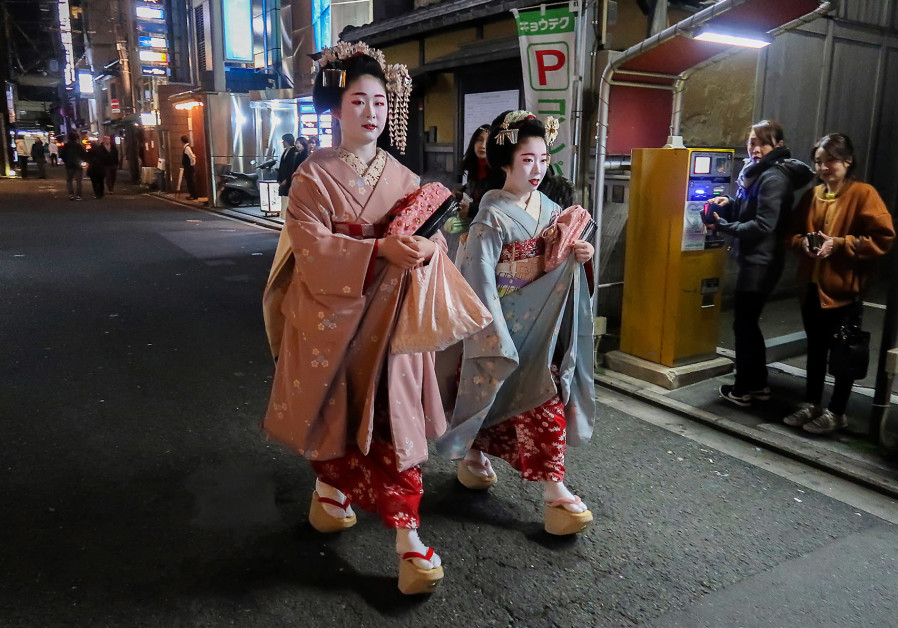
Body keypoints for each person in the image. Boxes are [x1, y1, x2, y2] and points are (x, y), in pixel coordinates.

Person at [261, 42, 447, 595]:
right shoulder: (311, 176)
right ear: (336, 108)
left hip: (391, 323)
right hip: (334, 313)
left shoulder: (407, 177)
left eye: (379, 102)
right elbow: (311, 249)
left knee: (394, 421)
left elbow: (432, 240)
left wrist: (427, 251)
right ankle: (330, 491)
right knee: (334, 414)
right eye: (358, 100)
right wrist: (379, 252)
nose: (370, 112)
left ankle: (408, 542)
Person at [436, 110, 596, 536]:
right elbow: (478, 280)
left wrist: (581, 256)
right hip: (503, 322)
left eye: (543, 159)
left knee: (541, 398)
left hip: (540, 326)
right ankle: (478, 457)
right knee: (489, 394)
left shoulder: (551, 208)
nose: (538, 169)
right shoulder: (491, 214)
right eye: (528, 159)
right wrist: (492, 333)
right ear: (506, 161)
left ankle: (554, 490)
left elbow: (562, 261)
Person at [783, 133, 895, 434]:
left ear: (847, 160)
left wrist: (841, 244)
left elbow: (883, 238)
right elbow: (791, 233)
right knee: (816, 350)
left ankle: (837, 411)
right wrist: (803, 243)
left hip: (845, 290)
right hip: (811, 285)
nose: (824, 167)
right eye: (818, 161)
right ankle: (812, 404)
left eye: (830, 160)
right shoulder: (812, 194)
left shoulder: (863, 193)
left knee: (843, 352)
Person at [707, 120, 815, 407]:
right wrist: (728, 202)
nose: (755, 148)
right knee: (747, 324)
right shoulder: (756, 172)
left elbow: (764, 224)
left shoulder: (773, 177)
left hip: (762, 262)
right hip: (755, 259)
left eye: (762, 143)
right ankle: (757, 385)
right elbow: (750, 207)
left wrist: (725, 226)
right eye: (752, 142)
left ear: (777, 146)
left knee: (744, 325)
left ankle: (746, 388)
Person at [443, 125, 491, 260]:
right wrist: (461, 193)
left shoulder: (499, 172)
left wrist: (472, 210)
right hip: (474, 229)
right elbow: (474, 189)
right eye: (479, 140)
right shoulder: (474, 166)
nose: (482, 145)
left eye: (488, 142)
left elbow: (498, 206)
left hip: (490, 234)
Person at [276, 133, 300, 218]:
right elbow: (282, 166)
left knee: (288, 197)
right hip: (283, 178)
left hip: (288, 179)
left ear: (287, 141)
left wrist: (286, 179)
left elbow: (290, 167)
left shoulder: (293, 151)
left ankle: (287, 216)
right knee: (284, 197)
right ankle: (283, 215)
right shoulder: (286, 151)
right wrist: (279, 179)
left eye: (284, 141)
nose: (283, 143)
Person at [60, 132, 87, 200]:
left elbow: (62, 155)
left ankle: (71, 194)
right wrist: (82, 161)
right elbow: (84, 155)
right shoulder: (79, 146)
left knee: (69, 180)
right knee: (78, 181)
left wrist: (66, 161)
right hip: (78, 165)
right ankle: (79, 195)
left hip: (69, 165)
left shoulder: (66, 146)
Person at [181, 134, 197, 200]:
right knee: (189, 181)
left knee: (190, 181)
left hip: (189, 167)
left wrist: (191, 165)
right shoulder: (186, 147)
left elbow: (192, 157)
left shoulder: (187, 148)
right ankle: (192, 194)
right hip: (188, 167)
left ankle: (193, 195)